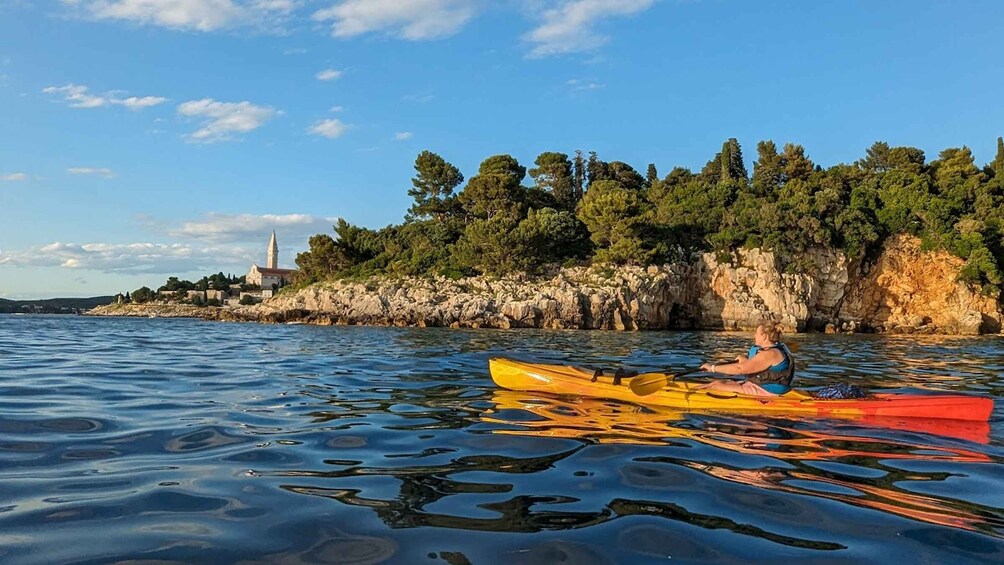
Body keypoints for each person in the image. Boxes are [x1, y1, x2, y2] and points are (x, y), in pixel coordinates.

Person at [698, 319, 794, 396]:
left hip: (768, 391)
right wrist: (746, 361)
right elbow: (759, 366)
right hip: (762, 386)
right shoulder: (774, 349)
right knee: (717, 382)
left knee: (716, 387)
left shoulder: (770, 354)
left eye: (756, 333)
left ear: (764, 336)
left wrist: (712, 368)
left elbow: (740, 369)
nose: (754, 335)